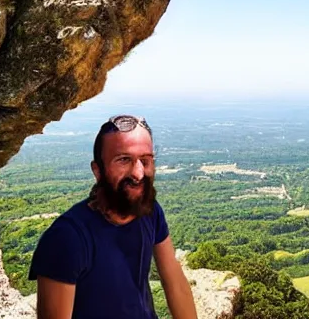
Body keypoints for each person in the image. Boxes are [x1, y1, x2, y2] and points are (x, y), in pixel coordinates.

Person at [29, 115, 197, 319]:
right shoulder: (67, 238)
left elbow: (176, 285)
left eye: (145, 160)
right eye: (124, 160)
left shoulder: (150, 212)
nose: (138, 173)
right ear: (97, 170)